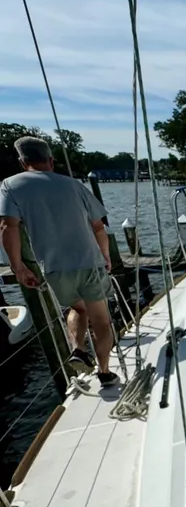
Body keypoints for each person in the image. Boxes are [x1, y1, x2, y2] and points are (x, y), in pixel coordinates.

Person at [0, 136, 119, 387]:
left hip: (53, 266)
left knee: (77, 309)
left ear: (22, 162)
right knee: (100, 319)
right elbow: (98, 227)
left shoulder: (10, 185)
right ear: (51, 161)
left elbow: (8, 226)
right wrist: (106, 256)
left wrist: (18, 267)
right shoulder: (74, 186)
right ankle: (105, 372)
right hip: (89, 262)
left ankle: (78, 348)